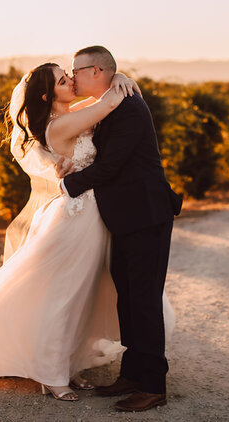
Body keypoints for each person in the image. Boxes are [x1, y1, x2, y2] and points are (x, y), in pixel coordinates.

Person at [0, 62, 160, 401]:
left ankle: (69, 365)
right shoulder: (59, 124)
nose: (71, 81)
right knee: (62, 295)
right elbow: (108, 103)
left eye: (69, 75)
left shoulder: (72, 111)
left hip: (94, 215)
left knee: (82, 296)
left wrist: (119, 78)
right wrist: (119, 79)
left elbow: (102, 103)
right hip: (76, 219)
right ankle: (52, 375)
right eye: (64, 80)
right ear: (49, 95)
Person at [59, 46, 183, 412]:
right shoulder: (112, 101)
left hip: (146, 216)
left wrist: (68, 186)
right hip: (126, 218)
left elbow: (111, 166)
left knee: (144, 301)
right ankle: (132, 373)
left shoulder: (129, 108)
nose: (73, 75)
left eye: (76, 70)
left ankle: (153, 386)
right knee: (127, 299)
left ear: (96, 71)